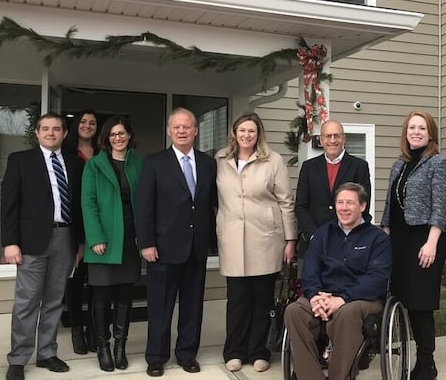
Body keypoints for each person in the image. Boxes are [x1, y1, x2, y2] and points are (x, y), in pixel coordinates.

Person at [1, 113, 84, 380]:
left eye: (56, 129)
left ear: (65, 133)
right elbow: (9, 204)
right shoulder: (20, 160)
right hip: (31, 241)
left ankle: (47, 353)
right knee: (27, 301)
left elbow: (79, 205)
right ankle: (18, 358)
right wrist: (10, 242)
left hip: (66, 237)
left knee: (54, 300)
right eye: (45, 128)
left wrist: (80, 242)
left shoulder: (74, 162)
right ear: (37, 133)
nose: (51, 133)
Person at [135, 107, 218, 377]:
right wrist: (146, 243)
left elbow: (210, 205)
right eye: (177, 127)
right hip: (163, 248)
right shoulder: (154, 162)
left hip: (196, 248)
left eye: (187, 126)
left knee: (193, 306)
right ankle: (156, 357)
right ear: (169, 131)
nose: (182, 131)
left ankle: (187, 354)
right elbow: (144, 206)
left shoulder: (208, 163)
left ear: (196, 130)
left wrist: (213, 241)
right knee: (160, 306)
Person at [215, 111, 298, 373]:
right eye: (242, 130)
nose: (246, 135)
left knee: (262, 299)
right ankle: (234, 351)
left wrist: (290, 239)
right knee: (237, 299)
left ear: (258, 133)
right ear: (234, 133)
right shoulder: (220, 160)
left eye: (251, 130)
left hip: (265, 238)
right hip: (232, 238)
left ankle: (259, 351)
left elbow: (286, 201)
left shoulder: (273, 160)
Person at [284, 182, 392, 380]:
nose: (344, 208)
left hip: (362, 299)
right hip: (324, 295)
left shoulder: (377, 239)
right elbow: (310, 270)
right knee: (294, 311)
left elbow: (376, 279)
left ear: (362, 206)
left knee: (346, 313)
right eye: (340, 202)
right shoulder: (323, 234)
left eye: (350, 202)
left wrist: (343, 299)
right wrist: (314, 296)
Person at [381, 110, 446, 380]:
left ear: (430, 133)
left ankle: (426, 363)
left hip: (425, 239)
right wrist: (384, 233)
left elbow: (440, 207)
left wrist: (432, 243)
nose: (416, 132)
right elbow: (390, 204)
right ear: (406, 132)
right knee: (403, 298)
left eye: (422, 128)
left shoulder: (439, 163)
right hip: (399, 240)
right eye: (412, 128)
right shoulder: (399, 164)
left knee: (420, 303)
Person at [81, 116, 142, 372]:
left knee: (125, 296)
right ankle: (103, 346)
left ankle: (120, 347)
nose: (118, 138)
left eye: (122, 133)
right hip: (103, 241)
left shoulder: (138, 164)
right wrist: (95, 237)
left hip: (129, 240)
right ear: (106, 138)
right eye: (113, 134)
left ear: (129, 136)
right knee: (102, 296)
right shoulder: (94, 165)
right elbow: (88, 203)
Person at [295, 120, 371, 242]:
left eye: (337, 136)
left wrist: (347, 235)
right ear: (321, 140)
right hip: (313, 241)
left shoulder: (359, 167)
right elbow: (301, 206)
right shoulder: (309, 167)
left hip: (348, 240)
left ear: (344, 139)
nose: (332, 140)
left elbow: (363, 204)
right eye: (328, 136)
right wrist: (314, 236)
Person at [63, 109, 99, 355]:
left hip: (99, 226)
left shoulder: (103, 153)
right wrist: (79, 240)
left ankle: (94, 330)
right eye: (83, 122)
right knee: (75, 281)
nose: (87, 126)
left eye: (92, 123)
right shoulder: (66, 155)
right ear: (76, 125)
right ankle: (77, 329)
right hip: (75, 224)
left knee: (98, 283)